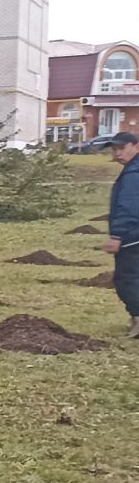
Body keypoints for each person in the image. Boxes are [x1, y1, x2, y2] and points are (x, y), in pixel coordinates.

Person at [104, 132, 139, 338]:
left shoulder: (134, 173)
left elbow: (129, 207)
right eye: (114, 149)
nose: (117, 153)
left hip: (133, 237)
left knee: (127, 279)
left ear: (136, 146)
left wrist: (117, 236)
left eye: (121, 148)